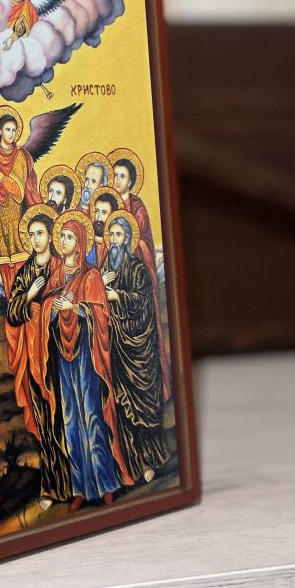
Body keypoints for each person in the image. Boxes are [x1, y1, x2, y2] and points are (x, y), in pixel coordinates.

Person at [42, 214, 133, 510]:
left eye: (68, 237)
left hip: (86, 355)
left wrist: (76, 307)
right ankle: (80, 487)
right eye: (61, 236)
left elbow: (101, 315)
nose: (63, 241)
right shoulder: (56, 275)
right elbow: (46, 309)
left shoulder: (91, 276)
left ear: (80, 243)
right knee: (71, 418)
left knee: (92, 415)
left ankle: (105, 484)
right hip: (63, 355)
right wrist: (53, 310)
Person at [6, 207, 72, 510]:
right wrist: (30, 296)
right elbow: (12, 313)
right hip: (34, 354)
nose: (35, 239)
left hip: (60, 352)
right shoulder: (25, 273)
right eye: (31, 234)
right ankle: (52, 486)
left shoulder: (61, 265)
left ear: (50, 235)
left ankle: (76, 482)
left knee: (66, 418)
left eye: (40, 233)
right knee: (46, 420)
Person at [101, 214, 170, 484]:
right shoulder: (106, 268)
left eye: (118, 235)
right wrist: (101, 288)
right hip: (117, 348)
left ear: (128, 240)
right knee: (123, 407)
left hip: (139, 350)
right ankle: (135, 462)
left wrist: (118, 296)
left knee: (144, 407)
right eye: (111, 235)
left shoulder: (138, 269)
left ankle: (153, 458)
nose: (113, 241)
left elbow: (143, 304)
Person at [110, 152, 171, 401]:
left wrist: (130, 248)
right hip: (116, 280)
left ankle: (155, 390)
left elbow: (144, 242)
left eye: (122, 176)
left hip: (136, 279)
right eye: (114, 175)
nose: (117, 180)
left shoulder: (137, 207)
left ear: (131, 181)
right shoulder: (110, 204)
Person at [0, 111, 42, 296]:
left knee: (21, 258)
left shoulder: (20, 156)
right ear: (0, 131)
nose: (11, 134)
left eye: (14, 130)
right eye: (8, 129)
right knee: (5, 263)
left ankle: (25, 299)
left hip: (16, 213)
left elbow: (17, 190)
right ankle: (11, 301)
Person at [87, 188, 121, 268]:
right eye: (96, 211)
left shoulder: (117, 246)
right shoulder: (85, 244)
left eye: (104, 212)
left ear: (112, 216)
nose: (98, 217)